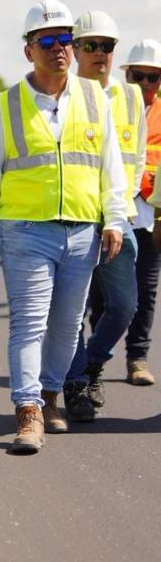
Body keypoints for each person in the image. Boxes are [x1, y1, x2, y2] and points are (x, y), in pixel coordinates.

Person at [0, 0, 126, 454]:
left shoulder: (95, 98)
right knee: (29, 323)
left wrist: (114, 219)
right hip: (25, 231)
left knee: (66, 326)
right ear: (29, 51)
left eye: (65, 40)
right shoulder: (8, 105)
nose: (59, 48)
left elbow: (110, 166)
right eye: (47, 41)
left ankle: (51, 395)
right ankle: (28, 410)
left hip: (82, 230)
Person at [62, 12, 145, 420]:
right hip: (75, 218)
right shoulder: (64, 94)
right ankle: (76, 383)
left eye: (107, 46)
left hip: (118, 218)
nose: (99, 53)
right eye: (90, 45)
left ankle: (93, 362)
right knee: (73, 310)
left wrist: (122, 207)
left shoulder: (131, 96)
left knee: (125, 305)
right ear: (75, 50)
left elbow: (137, 156)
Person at [122, 38, 161, 385]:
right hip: (115, 213)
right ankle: (93, 358)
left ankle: (137, 357)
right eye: (139, 76)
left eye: (153, 77)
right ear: (127, 75)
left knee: (146, 291)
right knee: (104, 294)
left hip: (151, 215)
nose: (146, 84)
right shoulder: (110, 107)